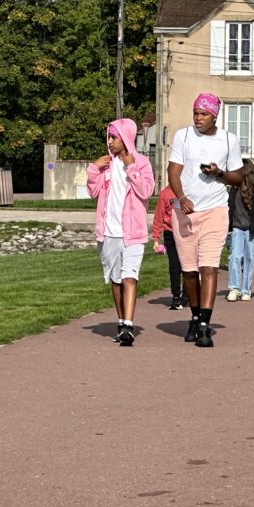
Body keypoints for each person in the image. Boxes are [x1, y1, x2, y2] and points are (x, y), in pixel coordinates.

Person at [167, 93, 244, 347]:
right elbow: (173, 171)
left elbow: (238, 178)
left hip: (215, 210)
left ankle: (203, 325)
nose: (198, 118)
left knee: (209, 267)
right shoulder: (183, 136)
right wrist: (181, 197)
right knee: (189, 272)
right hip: (185, 212)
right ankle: (195, 315)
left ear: (215, 116)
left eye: (204, 114)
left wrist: (219, 173)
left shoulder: (228, 140)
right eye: (196, 113)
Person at [87, 118, 156, 347]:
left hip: (133, 232)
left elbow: (146, 191)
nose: (110, 141)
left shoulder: (142, 162)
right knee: (116, 280)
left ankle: (128, 325)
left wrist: (131, 167)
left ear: (126, 137)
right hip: (109, 232)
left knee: (129, 276)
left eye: (114, 137)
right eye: (108, 137)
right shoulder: (107, 164)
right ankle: (120, 322)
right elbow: (93, 192)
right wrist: (94, 169)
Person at [227, 160, 254, 302]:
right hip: (237, 228)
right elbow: (229, 208)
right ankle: (234, 288)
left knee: (250, 259)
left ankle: (245, 290)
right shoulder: (234, 189)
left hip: (252, 230)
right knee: (235, 257)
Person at [151, 184, 186, 311]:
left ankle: (187, 294)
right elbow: (159, 217)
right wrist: (156, 239)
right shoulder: (165, 193)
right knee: (174, 266)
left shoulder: (188, 189)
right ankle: (176, 295)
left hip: (186, 232)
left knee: (188, 265)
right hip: (170, 233)